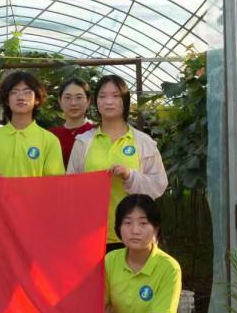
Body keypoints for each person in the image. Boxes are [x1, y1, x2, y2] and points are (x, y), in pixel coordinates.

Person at [67, 75, 167, 251]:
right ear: (96, 102)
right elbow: (70, 188)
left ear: (125, 100)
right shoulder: (83, 142)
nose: (108, 101)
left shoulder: (143, 142)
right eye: (102, 96)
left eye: (115, 96)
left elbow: (158, 185)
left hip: (134, 235)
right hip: (91, 236)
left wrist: (130, 176)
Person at [0, 71, 64, 179]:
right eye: (14, 92)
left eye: (27, 92)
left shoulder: (49, 140)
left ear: (37, 99)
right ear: (7, 100)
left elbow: (54, 183)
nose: (21, 97)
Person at [49, 77, 96, 166]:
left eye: (79, 97)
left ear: (88, 101)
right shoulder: (51, 135)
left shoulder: (96, 132)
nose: (73, 103)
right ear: (60, 101)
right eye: (67, 97)